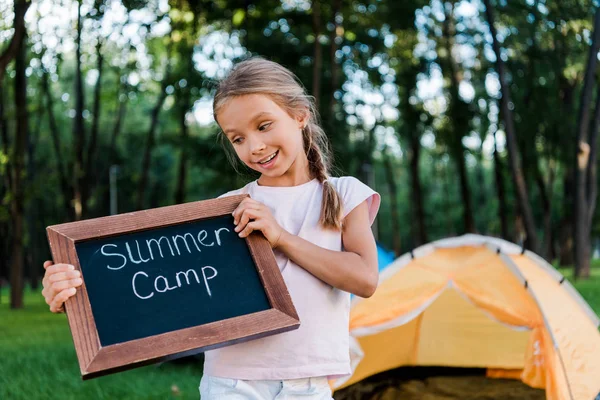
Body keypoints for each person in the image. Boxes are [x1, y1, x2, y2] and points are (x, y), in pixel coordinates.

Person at [42, 57, 381, 399]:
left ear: (299, 115)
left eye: (264, 126)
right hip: (231, 383)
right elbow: (163, 285)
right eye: (237, 139)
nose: (254, 147)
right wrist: (75, 292)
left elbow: (365, 278)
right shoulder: (229, 208)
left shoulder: (343, 194)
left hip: (308, 385)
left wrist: (281, 238)